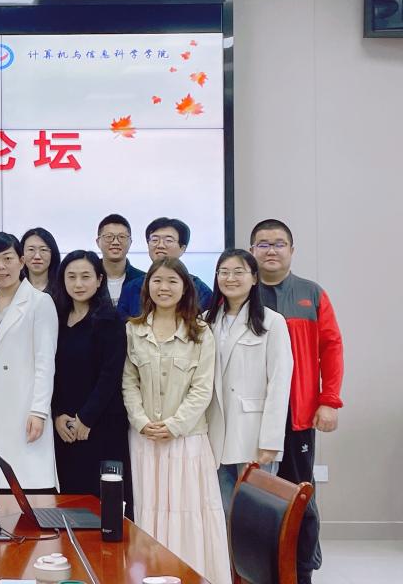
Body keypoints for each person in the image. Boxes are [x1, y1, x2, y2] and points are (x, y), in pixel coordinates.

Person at [122, 257, 230, 584]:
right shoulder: (133, 329)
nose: (164, 287)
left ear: (185, 288)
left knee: (188, 514)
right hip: (144, 439)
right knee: (149, 511)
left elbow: (203, 388)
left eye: (172, 281)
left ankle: (190, 576)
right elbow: (129, 382)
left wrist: (173, 426)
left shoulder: (201, 333)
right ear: (147, 287)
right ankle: (151, 575)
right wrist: (141, 421)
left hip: (186, 440)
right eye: (157, 281)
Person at [250, 219, 344, 584]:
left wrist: (329, 400)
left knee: (299, 494)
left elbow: (331, 348)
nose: (271, 250)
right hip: (251, 415)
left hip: (298, 415)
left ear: (292, 250)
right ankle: (254, 568)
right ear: (252, 250)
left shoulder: (311, 293)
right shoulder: (241, 291)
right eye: (263, 244)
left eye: (278, 243)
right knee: (253, 497)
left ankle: (301, 570)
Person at [203, 249, 293, 514]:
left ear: (254, 278)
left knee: (257, 516)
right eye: (224, 272)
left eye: (238, 272)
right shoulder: (205, 321)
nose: (230, 278)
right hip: (214, 435)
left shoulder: (272, 322)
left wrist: (271, 441)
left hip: (253, 435)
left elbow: (279, 384)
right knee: (220, 514)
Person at [0, 232, 59, 492]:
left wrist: (39, 411)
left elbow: (45, 363)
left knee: (28, 483)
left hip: (24, 405)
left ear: (21, 261)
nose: (1, 267)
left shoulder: (40, 302)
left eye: (7, 259)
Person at [51, 250, 131, 516]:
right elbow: (51, 373)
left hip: (101, 425)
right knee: (69, 504)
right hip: (65, 428)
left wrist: (86, 418)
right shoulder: (56, 320)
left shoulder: (111, 321)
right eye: (71, 276)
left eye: (86, 277)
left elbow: (110, 375)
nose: (78, 284)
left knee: (103, 506)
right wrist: (58, 415)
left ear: (99, 280)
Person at [117, 217, 213, 318]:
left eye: (168, 240)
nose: (160, 245)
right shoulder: (132, 288)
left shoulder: (200, 290)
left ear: (182, 248)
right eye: (155, 240)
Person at [95, 213, 145, 308]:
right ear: (98, 242)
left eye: (122, 237)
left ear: (130, 242)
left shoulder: (143, 280)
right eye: (109, 237)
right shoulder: (88, 278)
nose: (115, 242)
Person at [20, 227, 61, 298]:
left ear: (52, 254)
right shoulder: (15, 288)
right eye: (31, 249)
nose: (37, 256)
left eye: (43, 250)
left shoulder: (63, 289)